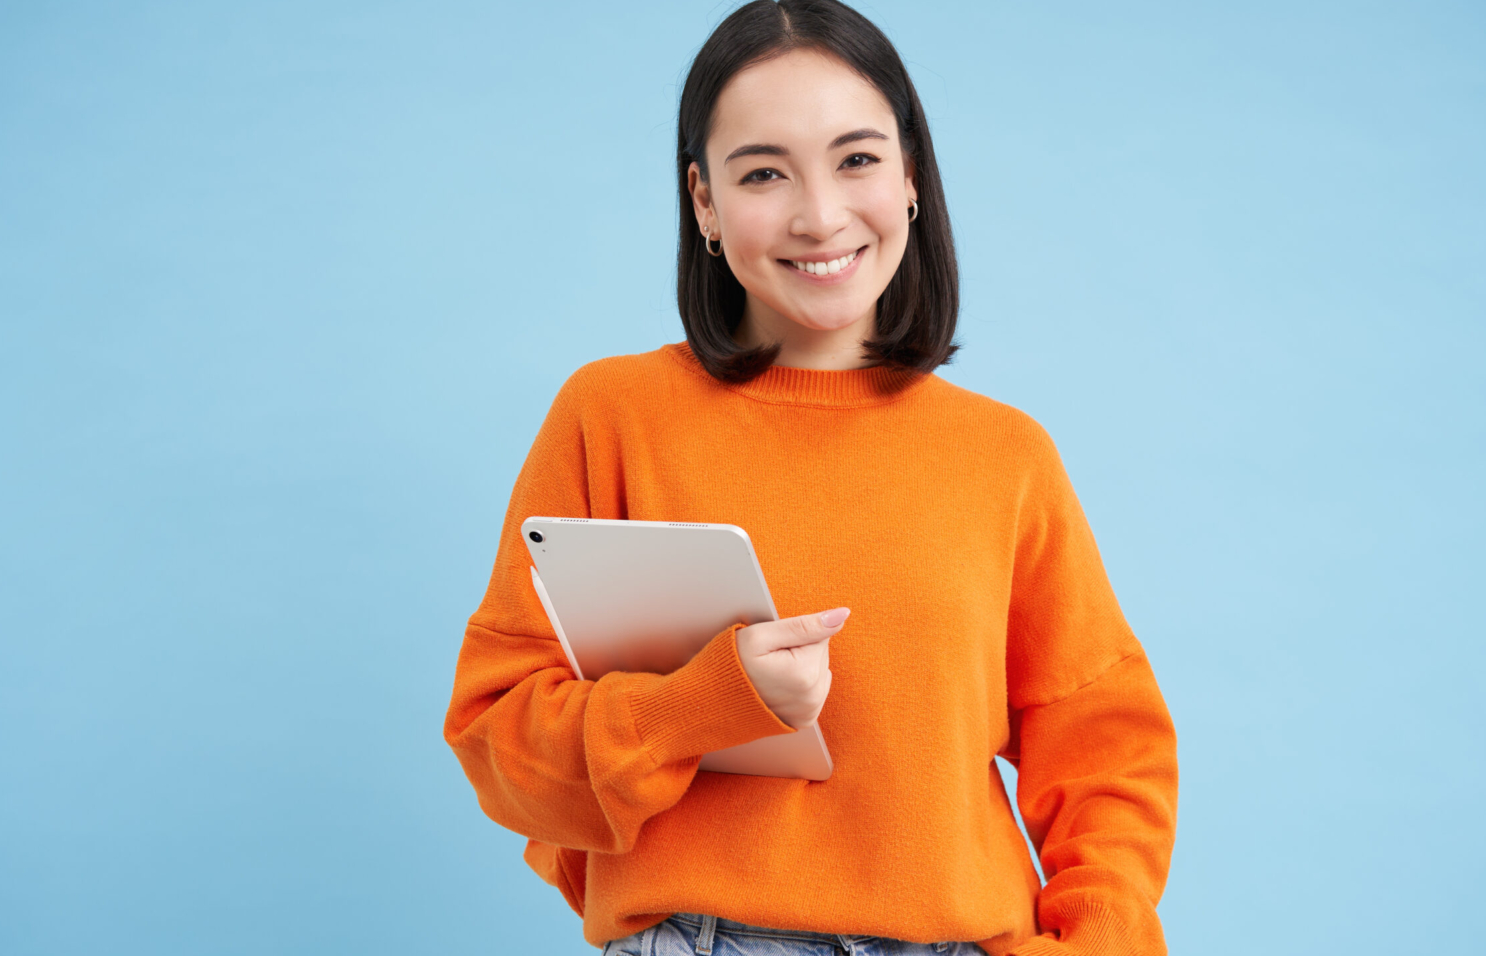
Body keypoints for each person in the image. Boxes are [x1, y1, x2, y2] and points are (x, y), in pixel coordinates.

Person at [441, 2, 1178, 954]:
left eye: (858, 158)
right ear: (704, 203)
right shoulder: (614, 416)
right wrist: (701, 702)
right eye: (762, 173)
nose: (820, 214)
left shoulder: (1004, 456)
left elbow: (1107, 751)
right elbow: (501, 749)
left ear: (911, 176)